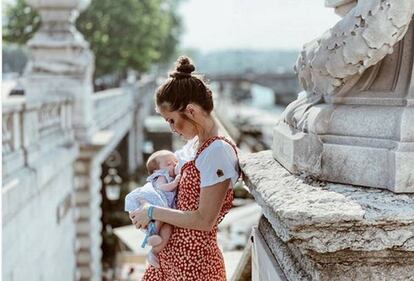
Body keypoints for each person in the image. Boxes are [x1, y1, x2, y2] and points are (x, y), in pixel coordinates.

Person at [129, 56, 240, 281]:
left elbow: (204, 220)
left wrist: (152, 211)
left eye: (171, 120)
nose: (171, 129)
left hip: (194, 266)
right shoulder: (197, 145)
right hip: (173, 261)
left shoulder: (217, 151)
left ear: (190, 111)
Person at [125, 150, 180, 268]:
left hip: (163, 212)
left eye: (176, 162)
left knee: (168, 229)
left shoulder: (168, 175)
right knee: (160, 217)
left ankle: (154, 251)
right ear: (157, 170)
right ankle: (152, 235)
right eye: (169, 163)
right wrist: (175, 183)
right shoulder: (161, 176)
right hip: (155, 203)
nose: (175, 165)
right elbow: (162, 188)